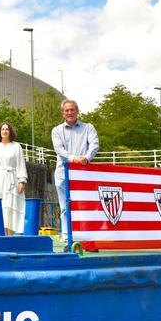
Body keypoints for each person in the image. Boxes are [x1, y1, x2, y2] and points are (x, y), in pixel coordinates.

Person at [51, 99, 100, 244]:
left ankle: (88, 240)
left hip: (83, 175)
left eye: (72, 109)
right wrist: (74, 158)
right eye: (67, 110)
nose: (70, 112)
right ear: (63, 113)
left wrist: (86, 157)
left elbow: (94, 144)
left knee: (87, 206)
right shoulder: (56, 131)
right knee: (66, 208)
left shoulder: (88, 128)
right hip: (63, 174)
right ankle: (68, 240)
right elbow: (59, 150)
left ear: (77, 111)